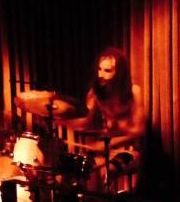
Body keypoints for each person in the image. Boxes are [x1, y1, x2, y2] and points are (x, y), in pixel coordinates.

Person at [61, 46, 145, 193]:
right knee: (76, 167)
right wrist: (61, 122)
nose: (100, 74)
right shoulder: (96, 94)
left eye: (107, 71)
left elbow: (139, 130)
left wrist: (109, 143)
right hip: (106, 150)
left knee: (107, 171)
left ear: (120, 73)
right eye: (99, 69)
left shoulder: (133, 92)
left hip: (130, 151)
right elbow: (86, 122)